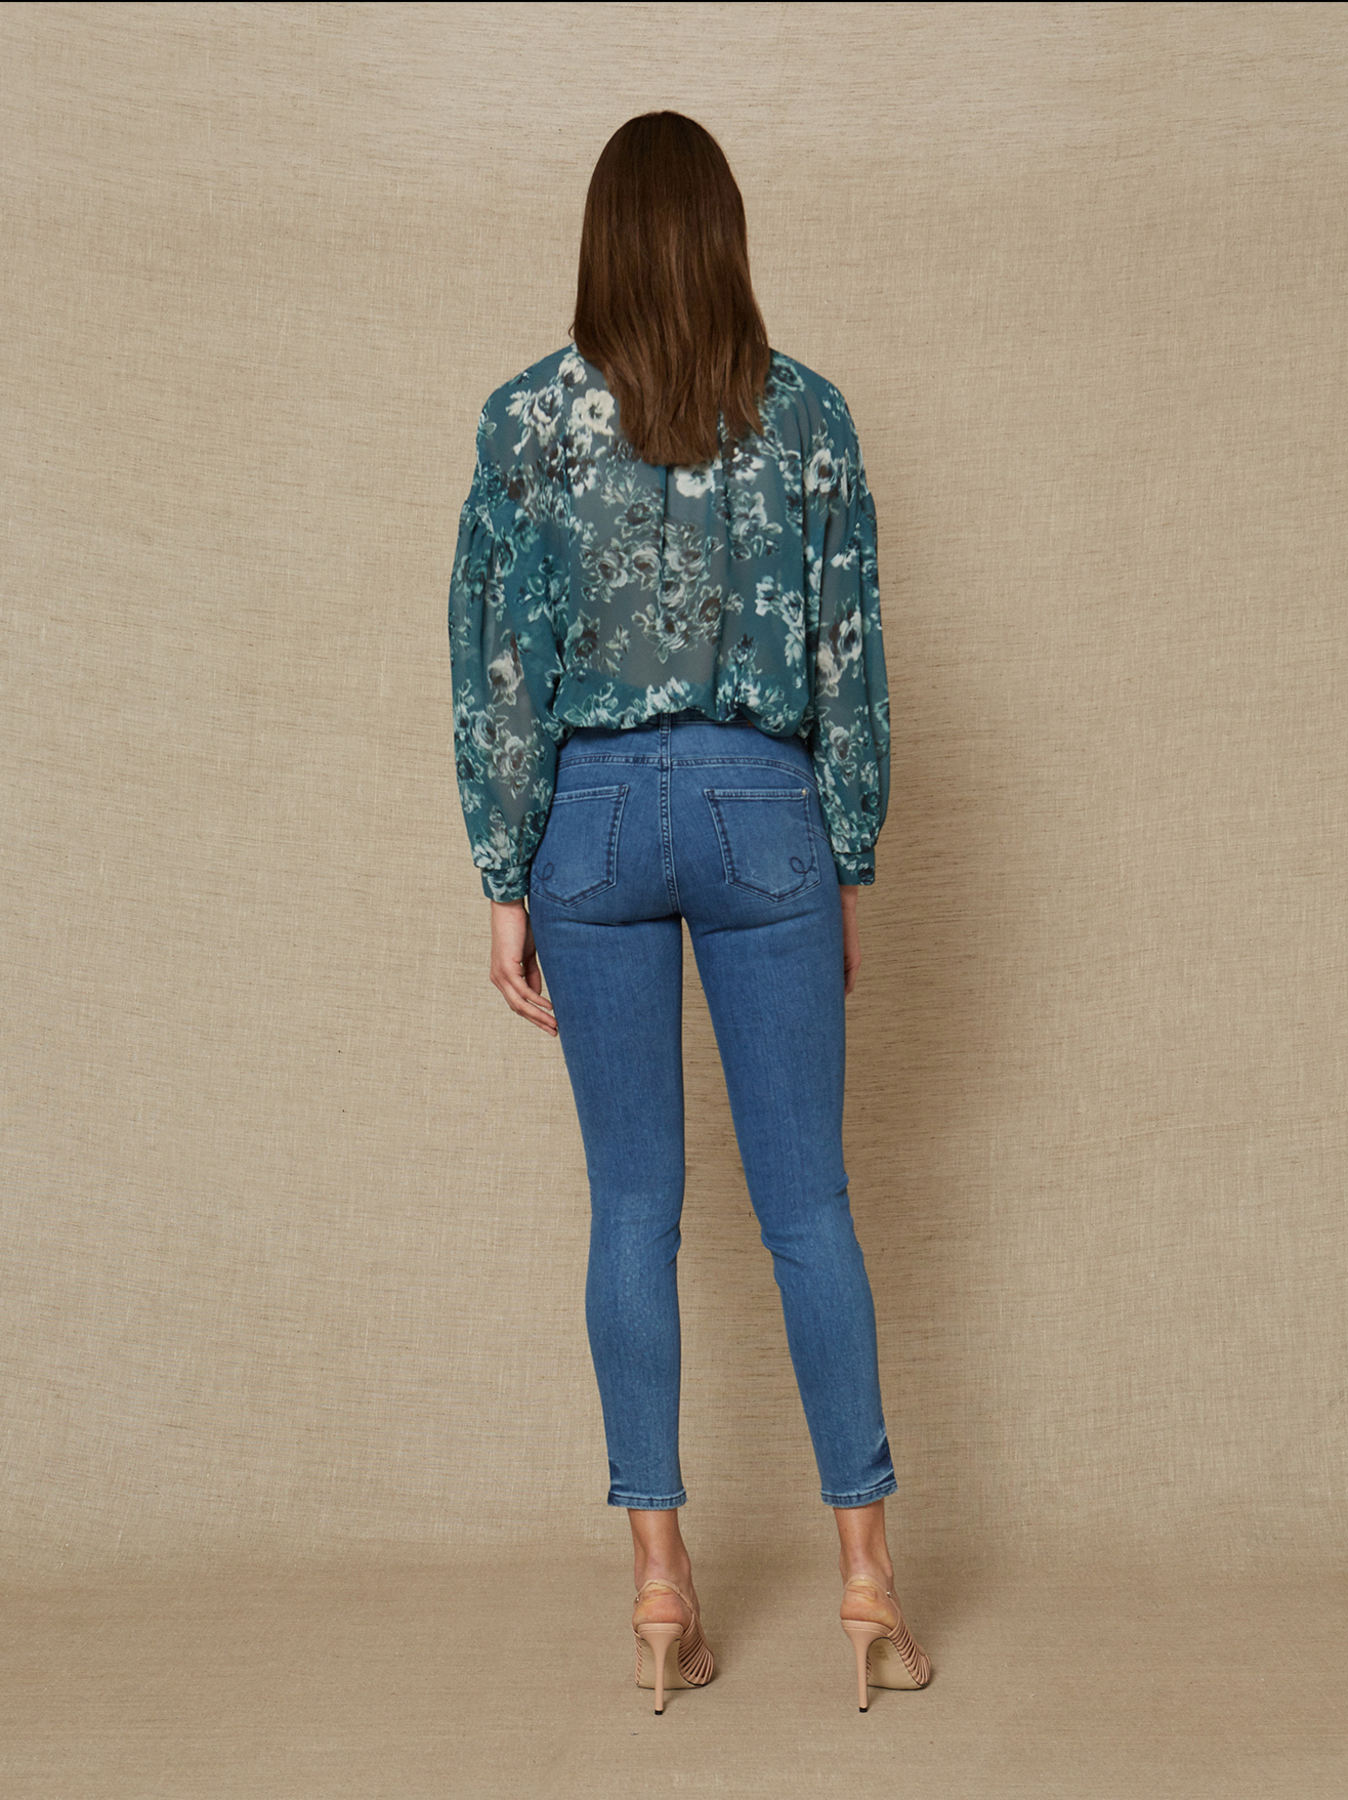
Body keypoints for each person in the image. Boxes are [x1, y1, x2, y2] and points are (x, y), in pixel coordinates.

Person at [447, 110, 930, 1713]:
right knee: (808, 1209)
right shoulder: (807, 418)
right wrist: (843, 860)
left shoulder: (525, 420)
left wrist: (502, 876)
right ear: (725, 237)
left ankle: (660, 1587)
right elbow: (850, 655)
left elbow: (496, 666)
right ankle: (868, 1584)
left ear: (599, 242)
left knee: (631, 1211)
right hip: (761, 811)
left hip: (588, 819)